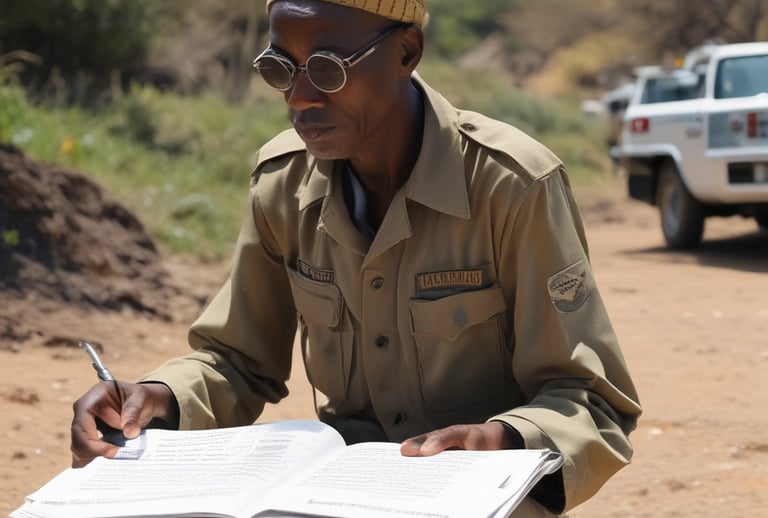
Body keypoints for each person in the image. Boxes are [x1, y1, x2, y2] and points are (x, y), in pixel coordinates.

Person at [71, 0, 641, 515]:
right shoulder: (281, 183)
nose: (298, 97)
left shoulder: (511, 185)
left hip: (476, 492)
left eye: (327, 68)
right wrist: (158, 398)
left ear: (406, 53)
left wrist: (504, 441)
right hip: (333, 489)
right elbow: (237, 361)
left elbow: (590, 399)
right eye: (280, 68)